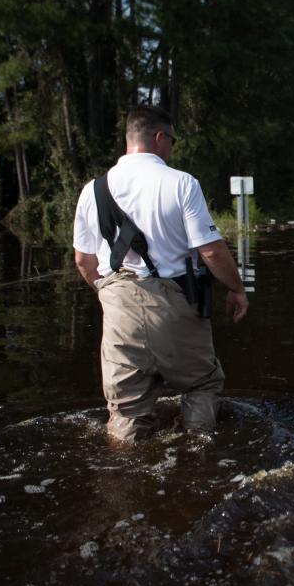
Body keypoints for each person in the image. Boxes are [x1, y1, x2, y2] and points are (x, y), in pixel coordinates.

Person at [73, 104, 249, 442]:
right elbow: (210, 250)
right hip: (175, 302)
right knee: (202, 382)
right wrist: (237, 288)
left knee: (127, 411)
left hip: (118, 308)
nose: (171, 147)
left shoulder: (91, 191)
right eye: (172, 140)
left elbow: (84, 262)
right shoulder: (181, 183)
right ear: (158, 138)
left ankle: (125, 477)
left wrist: (112, 296)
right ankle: (199, 453)